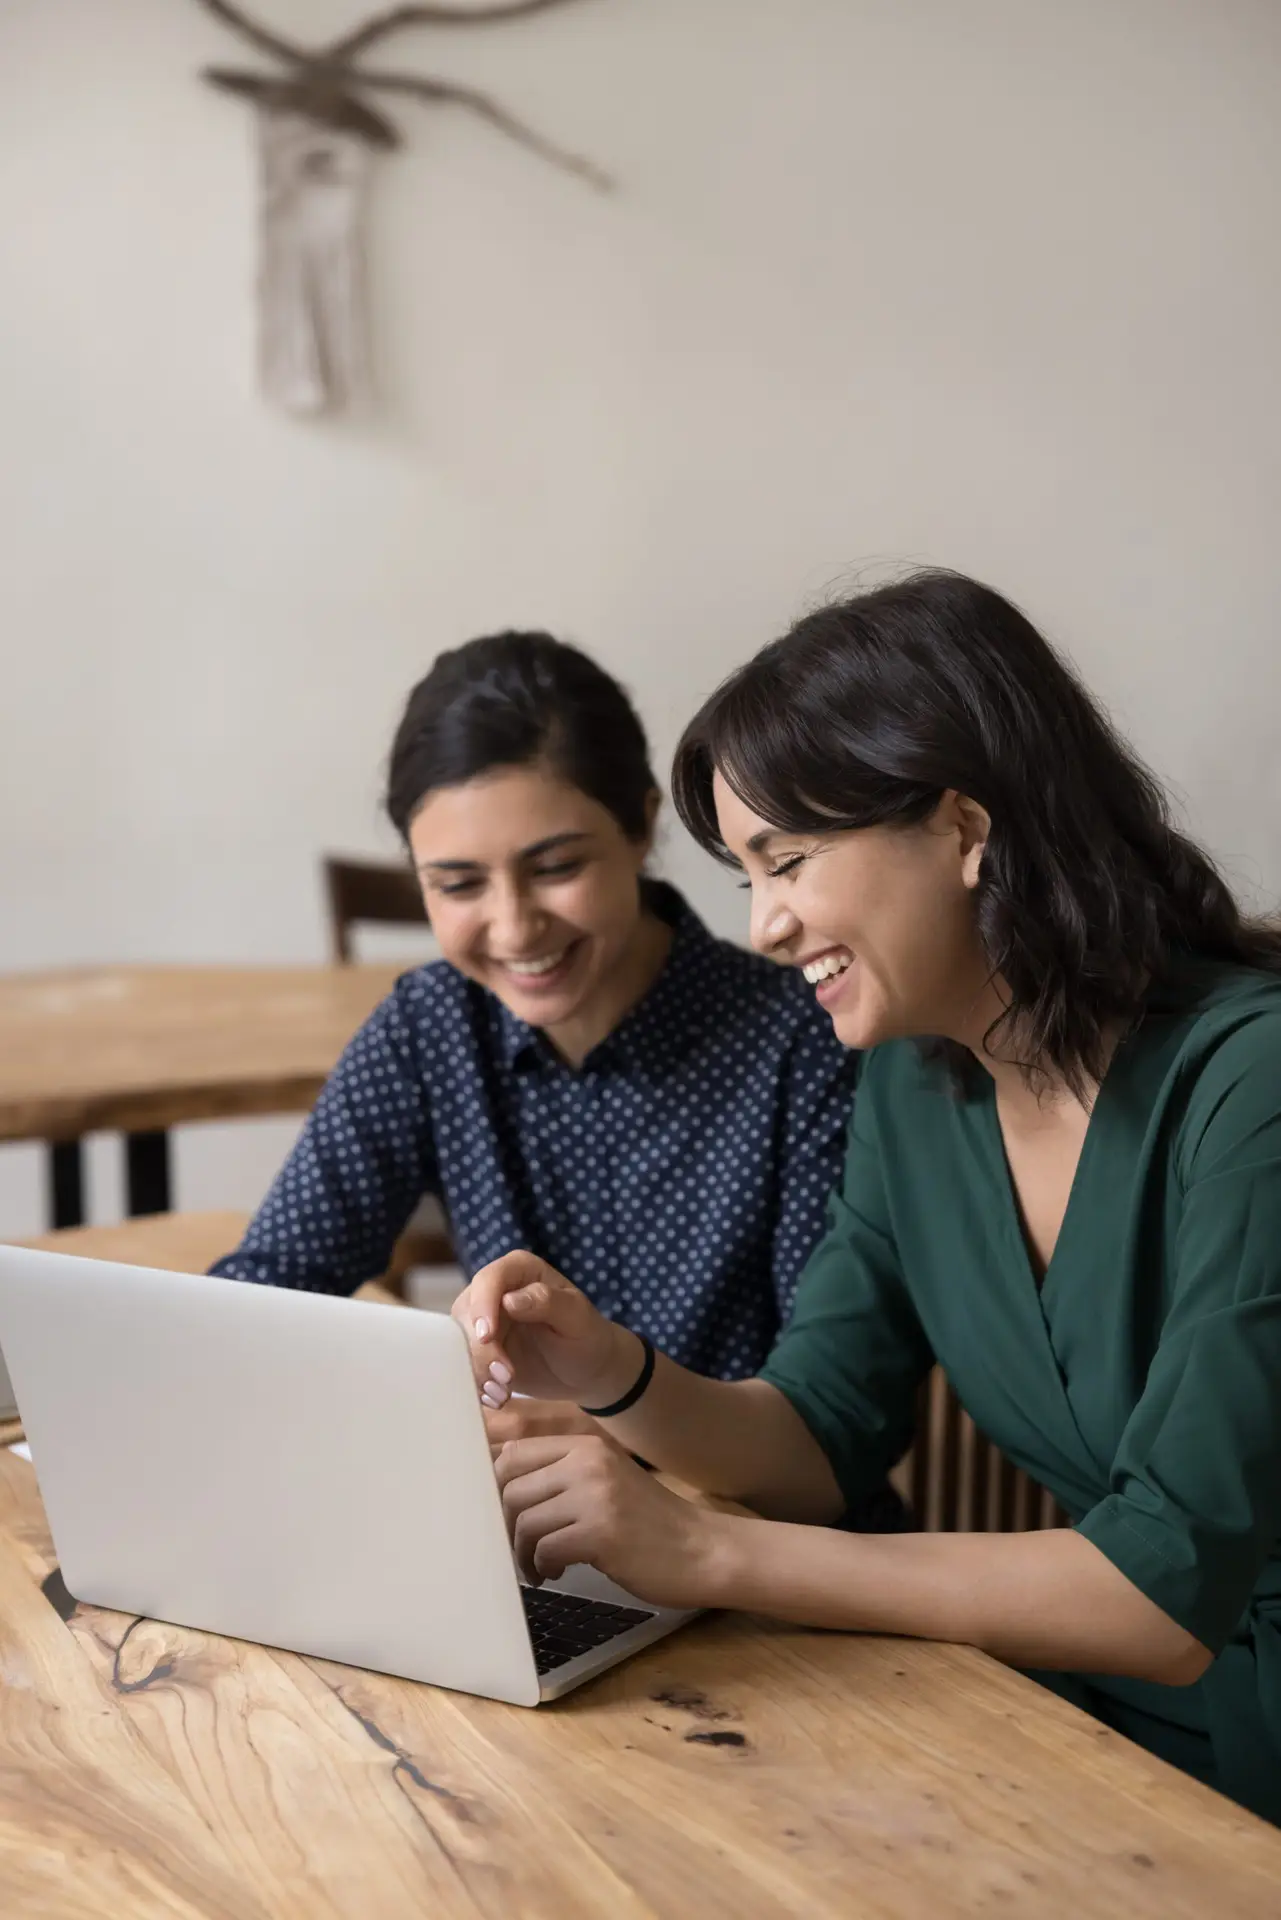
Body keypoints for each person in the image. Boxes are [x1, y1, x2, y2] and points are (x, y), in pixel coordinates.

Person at [456, 573, 1281, 1824]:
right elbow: (816, 1438)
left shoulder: (1251, 1086)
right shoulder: (916, 1086)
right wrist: (612, 1373)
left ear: (962, 827)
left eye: (786, 861)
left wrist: (710, 1554)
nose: (768, 925)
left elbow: (1161, 1593)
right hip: (1090, 1739)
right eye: (745, 875)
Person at [213, 630, 904, 1528]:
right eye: (457, 885)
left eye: (556, 868)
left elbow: (822, 1423)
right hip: (537, 1533)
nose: (513, 928)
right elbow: (272, 1286)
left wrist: (586, 1426)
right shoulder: (431, 1027)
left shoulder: (804, 1040)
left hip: (772, 1552)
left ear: (642, 825)